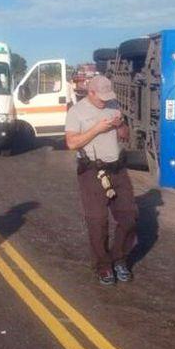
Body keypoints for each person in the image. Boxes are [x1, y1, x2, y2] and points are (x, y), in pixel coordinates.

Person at [65, 75, 137, 285]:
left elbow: (124, 135)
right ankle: (103, 266)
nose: (105, 101)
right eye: (101, 97)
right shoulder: (76, 112)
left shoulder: (113, 105)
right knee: (98, 221)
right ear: (91, 92)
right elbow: (71, 143)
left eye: (108, 96)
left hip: (117, 168)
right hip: (92, 171)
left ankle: (119, 259)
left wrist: (120, 125)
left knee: (129, 217)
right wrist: (97, 128)